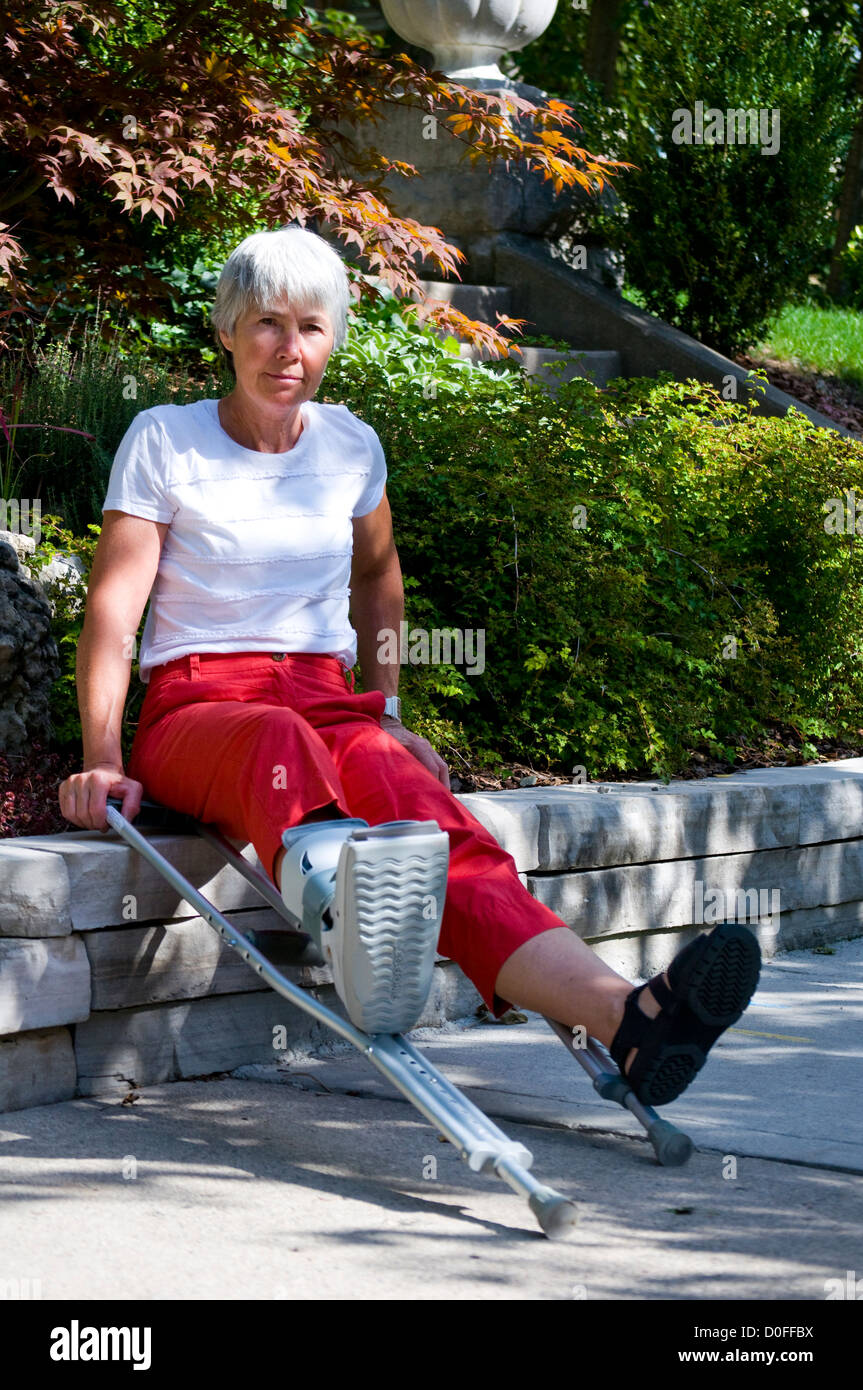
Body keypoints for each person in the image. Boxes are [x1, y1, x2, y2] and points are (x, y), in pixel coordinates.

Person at [58, 225, 761, 1098]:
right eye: (266, 323)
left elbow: (378, 581)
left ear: (333, 340)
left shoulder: (350, 444)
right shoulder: (166, 439)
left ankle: (630, 1020)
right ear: (228, 330)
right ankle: (363, 931)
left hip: (325, 700)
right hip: (201, 709)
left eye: (311, 327)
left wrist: (384, 713)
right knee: (276, 739)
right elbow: (112, 613)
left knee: (436, 827)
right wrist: (101, 759)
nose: (288, 348)